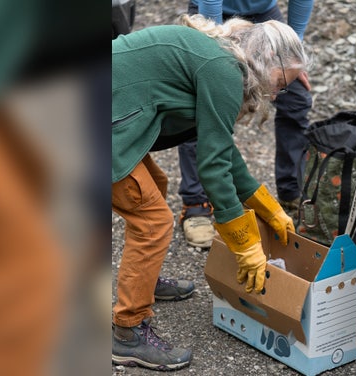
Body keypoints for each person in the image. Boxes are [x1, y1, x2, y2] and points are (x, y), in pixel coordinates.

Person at [111, 14, 309, 370]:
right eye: (282, 82)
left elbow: (221, 149)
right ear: (268, 62)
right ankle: (128, 332)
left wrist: (267, 207)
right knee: (153, 220)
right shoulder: (224, 71)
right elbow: (213, 166)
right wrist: (245, 244)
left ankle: (144, 279)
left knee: (154, 188)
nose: (280, 93)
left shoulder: (222, 60)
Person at [177, 0, 314, 248]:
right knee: (201, 101)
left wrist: (293, 56)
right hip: (212, 10)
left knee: (296, 99)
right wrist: (218, 60)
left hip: (264, 14)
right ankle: (196, 203)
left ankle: (291, 191)